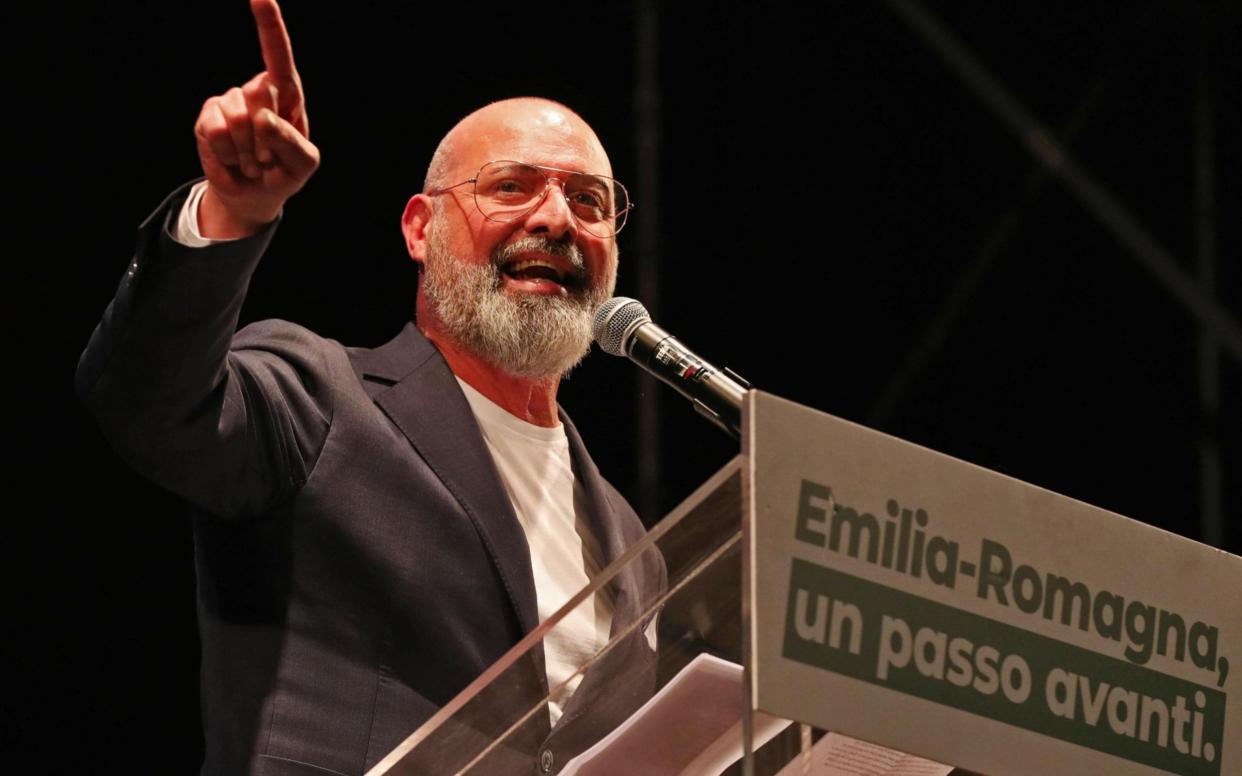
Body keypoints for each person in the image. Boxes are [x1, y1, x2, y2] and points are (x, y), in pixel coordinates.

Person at [76, 1, 663, 774]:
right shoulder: (318, 399)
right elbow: (146, 400)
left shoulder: (633, 542)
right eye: (513, 186)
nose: (556, 218)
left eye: (589, 200)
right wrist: (231, 212)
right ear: (421, 229)